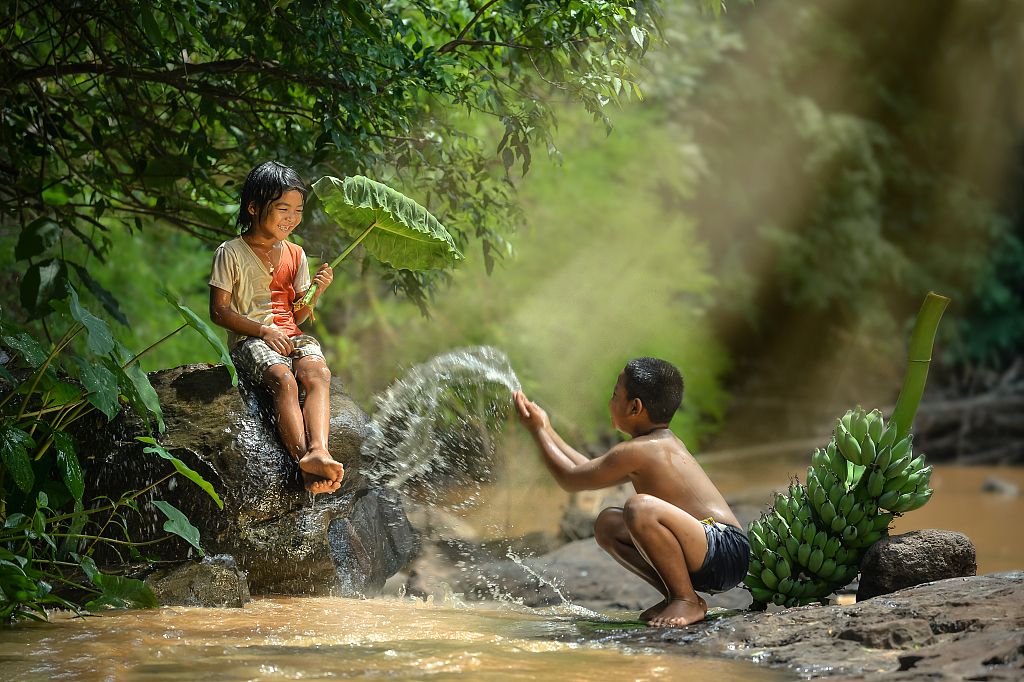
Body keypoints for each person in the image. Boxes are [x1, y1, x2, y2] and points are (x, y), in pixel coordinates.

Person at [513, 357, 749, 626]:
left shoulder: (640, 450)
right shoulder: (651, 445)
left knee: (639, 508)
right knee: (608, 524)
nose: (610, 402)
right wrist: (546, 428)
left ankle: (686, 600)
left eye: (615, 395)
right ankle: (677, 595)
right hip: (708, 553)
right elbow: (586, 469)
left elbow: (570, 478)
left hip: (725, 549)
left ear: (634, 407)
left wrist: (537, 432)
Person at [209, 161, 344, 495]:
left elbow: (298, 315)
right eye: (283, 209)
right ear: (254, 208)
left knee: (318, 373)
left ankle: (319, 450)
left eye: (298, 211)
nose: (292, 218)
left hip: (290, 335)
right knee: (284, 379)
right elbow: (219, 312)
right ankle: (304, 463)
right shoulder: (230, 253)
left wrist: (316, 291)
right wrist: (263, 331)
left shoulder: (296, 254)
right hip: (251, 338)